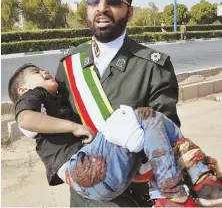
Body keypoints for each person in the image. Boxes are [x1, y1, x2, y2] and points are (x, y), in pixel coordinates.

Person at [12, 0, 220, 207]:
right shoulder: (70, 64)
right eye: (93, 0)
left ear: (129, 12)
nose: (101, 7)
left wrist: (134, 148)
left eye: (113, 0)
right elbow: (56, 126)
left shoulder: (153, 66)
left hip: (132, 198)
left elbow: (166, 136)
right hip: (84, 198)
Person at [8, 64, 222, 207]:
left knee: (155, 121)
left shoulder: (54, 101)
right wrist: (74, 127)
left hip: (102, 183)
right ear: (23, 90)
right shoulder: (35, 96)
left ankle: (196, 179)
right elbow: (26, 120)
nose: (45, 71)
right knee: (138, 116)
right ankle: (174, 188)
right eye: (36, 71)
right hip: (83, 170)